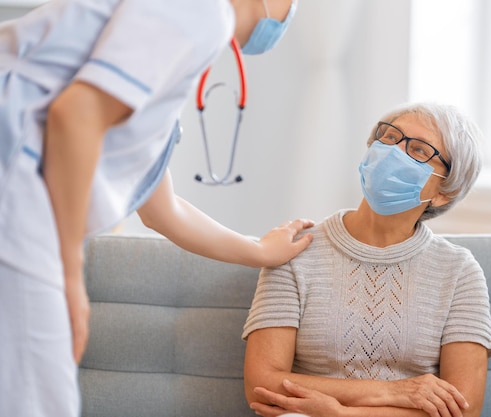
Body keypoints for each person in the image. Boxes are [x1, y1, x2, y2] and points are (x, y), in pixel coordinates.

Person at [0, 1, 313, 416]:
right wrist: (70, 275)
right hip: (17, 193)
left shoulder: (167, 45)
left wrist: (258, 251)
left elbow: (162, 210)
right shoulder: (202, 12)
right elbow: (75, 115)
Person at [242, 102, 491, 417]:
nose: (394, 153)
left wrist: (343, 414)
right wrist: (392, 391)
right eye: (389, 138)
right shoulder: (294, 250)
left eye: (418, 150)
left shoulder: (459, 271)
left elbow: (464, 408)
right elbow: (262, 382)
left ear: (446, 190)